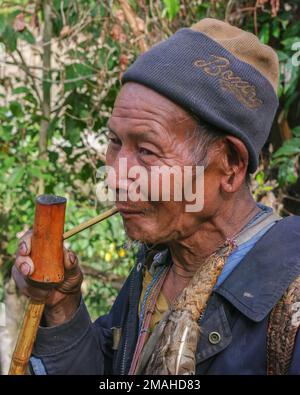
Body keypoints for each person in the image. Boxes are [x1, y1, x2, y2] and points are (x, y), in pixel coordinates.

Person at [13, 18, 300, 375]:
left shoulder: (291, 298)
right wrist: (61, 306)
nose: (116, 174)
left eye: (147, 151)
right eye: (115, 142)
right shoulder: (154, 268)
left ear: (230, 164)